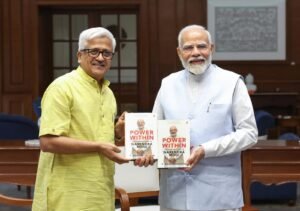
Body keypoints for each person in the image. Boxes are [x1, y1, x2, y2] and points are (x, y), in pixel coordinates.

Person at [136, 24, 258, 211]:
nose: (196, 53)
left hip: (219, 193)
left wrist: (204, 149)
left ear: (211, 48)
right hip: (175, 193)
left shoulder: (232, 82)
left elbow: (249, 134)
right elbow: (153, 131)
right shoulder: (168, 84)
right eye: (188, 48)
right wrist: (145, 152)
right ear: (179, 52)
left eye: (201, 46)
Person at [32, 27, 130, 211]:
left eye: (107, 53)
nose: (100, 58)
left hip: (100, 191)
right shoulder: (62, 88)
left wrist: (117, 133)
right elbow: (48, 142)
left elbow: (101, 138)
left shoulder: (108, 93)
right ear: (79, 55)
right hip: (67, 194)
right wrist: (98, 146)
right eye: (94, 51)